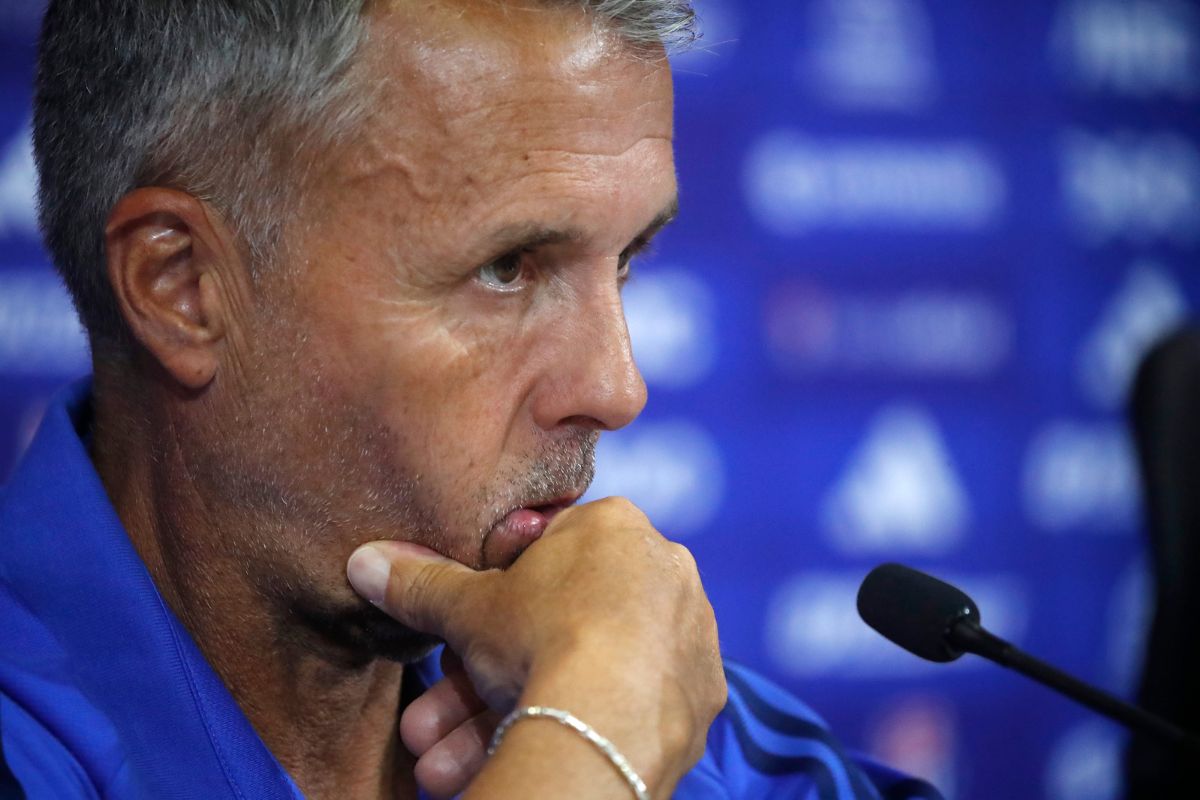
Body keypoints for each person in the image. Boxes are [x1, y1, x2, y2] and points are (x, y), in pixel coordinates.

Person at [0, 2, 944, 798]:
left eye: (627, 260)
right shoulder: (614, 737)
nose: (616, 389)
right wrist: (584, 759)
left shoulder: (682, 738)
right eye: (506, 267)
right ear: (184, 288)